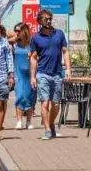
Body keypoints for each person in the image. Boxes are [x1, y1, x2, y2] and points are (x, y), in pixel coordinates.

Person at [29, 9, 71, 140]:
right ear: (40, 21)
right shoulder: (36, 38)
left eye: (49, 18)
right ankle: (47, 130)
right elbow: (34, 58)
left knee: (56, 105)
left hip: (57, 73)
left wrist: (68, 69)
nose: (48, 21)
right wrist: (32, 76)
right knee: (45, 103)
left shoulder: (59, 34)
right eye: (45, 19)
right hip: (42, 74)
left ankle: (51, 123)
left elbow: (65, 51)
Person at [12, 23, 36, 130]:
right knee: (20, 96)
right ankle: (19, 121)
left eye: (18, 31)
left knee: (30, 98)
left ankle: (29, 121)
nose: (17, 33)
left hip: (30, 75)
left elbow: (37, 58)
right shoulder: (13, 45)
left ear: (24, 31)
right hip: (18, 75)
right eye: (15, 31)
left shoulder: (31, 45)